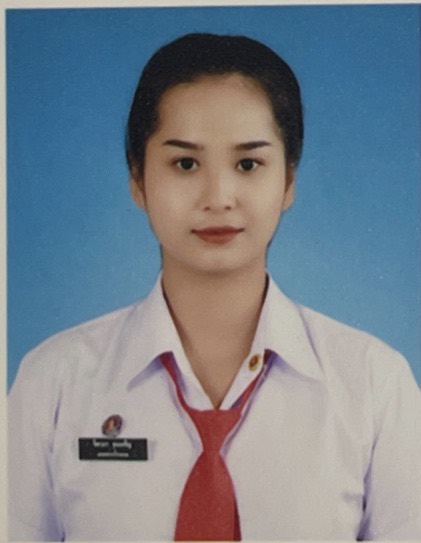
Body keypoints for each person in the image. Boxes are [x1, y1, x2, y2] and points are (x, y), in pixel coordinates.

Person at [8, 33, 421, 541]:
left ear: (289, 180)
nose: (219, 197)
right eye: (185, 164)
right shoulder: (54, 383)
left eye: (248, 164)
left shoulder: (374, 385)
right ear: (137, 178)